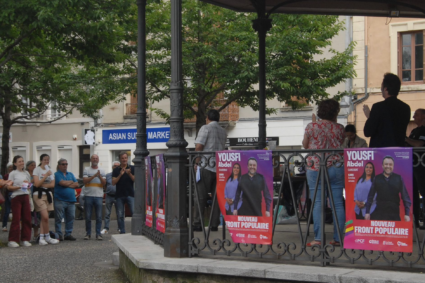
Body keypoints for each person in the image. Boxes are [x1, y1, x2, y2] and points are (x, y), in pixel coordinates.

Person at [302, 99, 345, 247]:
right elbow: (340, 142)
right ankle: (338, 238)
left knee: (318, 203)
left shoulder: (311, 127)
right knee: (337, 203)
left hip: (315, 166)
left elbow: (305, 144)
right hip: (336, 165)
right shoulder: (340, 128)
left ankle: (318, 239)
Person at [192, 109, 227, 232]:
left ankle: (198, 223)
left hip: (206, 165)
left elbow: (199, 146)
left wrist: (196, 162)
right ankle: (214, 224)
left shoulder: (205, 128)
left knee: (200, 196)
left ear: (207, 118)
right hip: (219, 167)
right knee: (216, 197)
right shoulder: (223, 131)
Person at [363, 73, 411, 148]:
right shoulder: (406, 108)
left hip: (380, 153)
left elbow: (368, 132)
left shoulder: (378, 107)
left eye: (382, 87)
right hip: (399, 151)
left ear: (386, 89)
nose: (381, 89)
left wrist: (370, 116)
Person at [365, 156, 411, 221]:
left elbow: (405, 197)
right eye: (386, 164)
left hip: (394, 213)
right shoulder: (377, 178)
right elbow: (370, 196)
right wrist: (367, 212)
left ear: (393, 166)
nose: (388, 166)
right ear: (382, 166)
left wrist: (407, 214)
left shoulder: (399, 178)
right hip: (379, 213)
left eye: (390, 164)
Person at [4, 156, 32, 248]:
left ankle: (25, 239)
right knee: (16, 218)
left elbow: (29, 184)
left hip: (25, 196)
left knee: (27, 218)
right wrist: (19, 187)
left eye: (22, 161)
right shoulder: (13, 173)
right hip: (16, 197)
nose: (22, 163)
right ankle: (12, 239)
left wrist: (28, 185)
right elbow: (8, 187)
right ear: (15, 163)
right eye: (19, 161)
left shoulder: (26, 173)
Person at [32, 155, 59, 245]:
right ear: (41, 160)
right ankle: (47, 236)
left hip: (48, 195)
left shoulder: (50, 170)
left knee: (45, 218)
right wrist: (45, 176)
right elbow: (36, 184)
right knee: (45, 217)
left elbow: (52, 185)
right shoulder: (37, 170)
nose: (46, 161)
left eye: (48, 160)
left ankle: (42, 238)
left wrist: (43, 184)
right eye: (44, 160)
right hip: (39, 195)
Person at [405, 108, 425, 228]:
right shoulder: (414, 131)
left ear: (423, 116)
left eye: (416, 115)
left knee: (423, 192)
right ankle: (415, 221)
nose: (413, 117)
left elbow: (419, 144)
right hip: (411, 166)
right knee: (412, 194)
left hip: (422, 167)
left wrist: (406, 139)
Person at [54, 158, 79, 241]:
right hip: (60, 200)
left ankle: (68, 234)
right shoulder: (57, 174)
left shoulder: (70, 174)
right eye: (63, 164)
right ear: (59, 165)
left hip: (71, 200)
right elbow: (61, 183)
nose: (65, 166)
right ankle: (59, 234)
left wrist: (66, 184)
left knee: (71, 217)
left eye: (66, 164)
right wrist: (70, 183)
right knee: (59, 218)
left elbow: (76, 184)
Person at [83, 154, 106, 240]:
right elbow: (85, 181)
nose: (95, 160)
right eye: (93, 158)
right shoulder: (86, 169)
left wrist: (99, 176)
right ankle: (88, 234)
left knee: (99, 217)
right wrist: (94, 176)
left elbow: (104, 183)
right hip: (88, 195)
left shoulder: (102, 170)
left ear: (98, 160)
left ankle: (98, 234)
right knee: (88, 217)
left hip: (98, 196)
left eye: (96, 158)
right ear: (91, 160)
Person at [112, 152, 135, 234]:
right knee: (120, 215)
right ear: (120, 159)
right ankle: (122, 231)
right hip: (119, 195)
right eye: (122, 158)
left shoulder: (132, 168)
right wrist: (120, 175)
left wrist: (129, 174)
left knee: (134, 214)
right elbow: (113, 182)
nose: (124, 159)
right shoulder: (116, 170)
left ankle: (135, 230)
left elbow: (135, 180)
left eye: (125, 158)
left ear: (127, 158)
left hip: (130, 194)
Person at [101, 161, 120, 235]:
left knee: (119, 213)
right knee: (107, 213)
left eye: (118, 166)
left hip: (118, 196)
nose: (116, 167)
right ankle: (106, 228)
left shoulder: (121, 175)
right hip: (109, 195)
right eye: (115, 166)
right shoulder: (108, 175)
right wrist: (108, 190)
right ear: (112, 167)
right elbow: (105, 185)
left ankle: (120, 228)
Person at [26, 160, 40, 241]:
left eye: (35, 165)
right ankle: (26, 235)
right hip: (28, 197)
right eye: (32, 165)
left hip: (35, 197)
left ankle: (36, 234)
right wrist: (32, 180)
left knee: (36, 217)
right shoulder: (26, 174)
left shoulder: (37, 175)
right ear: (28, 167)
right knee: (27, 217)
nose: (34, 167)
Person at [2, 163, 13, 232]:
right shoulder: (6, 176)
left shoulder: (16, 175)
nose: (11, 169)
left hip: (15, 194)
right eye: (10, 168)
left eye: (12, 167)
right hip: (8, 194)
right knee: (7, 211)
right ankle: (4, 225)